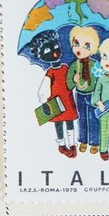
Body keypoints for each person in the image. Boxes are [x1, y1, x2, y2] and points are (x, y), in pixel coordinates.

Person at [30, 30, 78, 158]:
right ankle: (62, 145)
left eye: (56, 46)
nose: (55, 53)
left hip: (67, 100)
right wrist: (44, 102)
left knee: (70, 122)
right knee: (59, 124)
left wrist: (75, 80)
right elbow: (44, 88)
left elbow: (70, 82)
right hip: (56, 102)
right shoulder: (50, 72)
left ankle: (72, 144)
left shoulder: (65, 68)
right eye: (47, 51)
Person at [66, 25, 101, 154]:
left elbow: (100, 81)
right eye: (76, 44)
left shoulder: (95, 65)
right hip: (80, 95)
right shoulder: (74, 65)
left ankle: (95, 142)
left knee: (93, 118)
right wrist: (74, 80)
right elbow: (69, 85)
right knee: (81, 118)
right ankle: (83, 141)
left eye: (86, 46)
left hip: (93, 95)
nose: (80, 49)